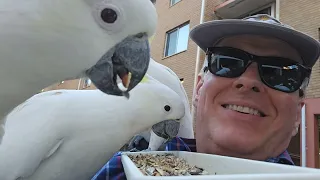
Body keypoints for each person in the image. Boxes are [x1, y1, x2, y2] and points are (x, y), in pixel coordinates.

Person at [92, 14, 320, 180]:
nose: (249, 81)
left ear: (298, 117)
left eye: (279, 73)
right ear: (198, 89)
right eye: (227, 62)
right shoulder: (121, 171)